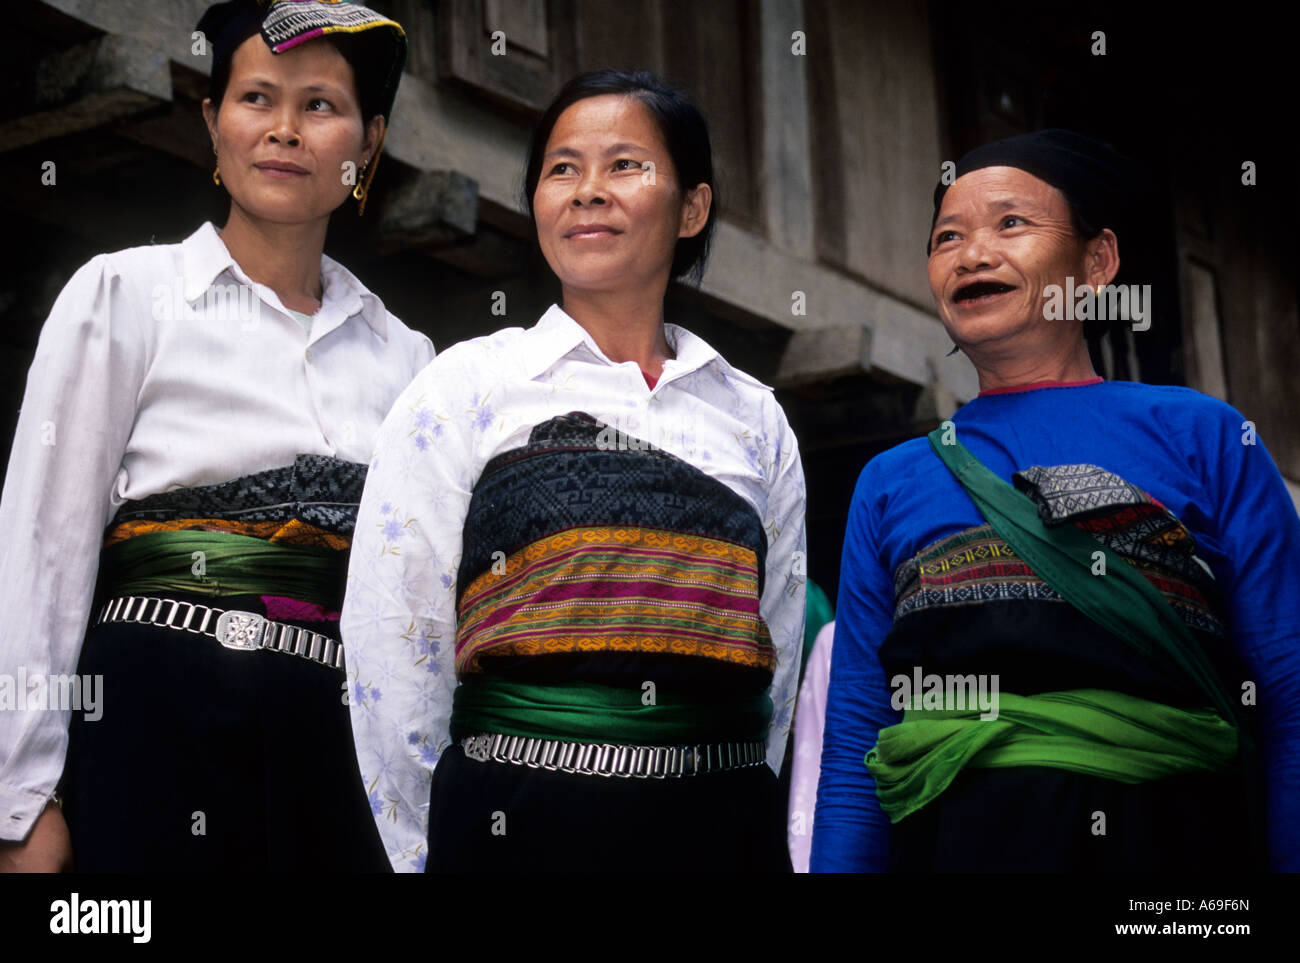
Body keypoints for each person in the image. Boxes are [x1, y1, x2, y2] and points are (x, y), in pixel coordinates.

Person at [0, 0, 431, 872]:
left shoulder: (410, 358)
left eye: (319, 105)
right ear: (212, 123)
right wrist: (21, 800)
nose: (283, 130)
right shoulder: (122, 296)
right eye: (255, 99)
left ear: (369, 143)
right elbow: (43, 550)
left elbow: (412, 603)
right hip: (149, 731)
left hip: (337, 759)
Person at [342, 69, 806, 872]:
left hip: (719, 830)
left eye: (625, 165)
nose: (588, 191)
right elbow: (396, 635)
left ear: (692, 207)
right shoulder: (470, 387)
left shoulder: (753, 417)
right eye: (562, 169)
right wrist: (422, 851)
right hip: (516, 828)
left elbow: (779, 645)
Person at [811, 129, 1300, 872]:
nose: (973, 254)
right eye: (949, 237)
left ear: (1096, 262)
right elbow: (855, 741)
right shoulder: (892, 480)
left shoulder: (1205, 436)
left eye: (1011, 223)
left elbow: (1289, 698)